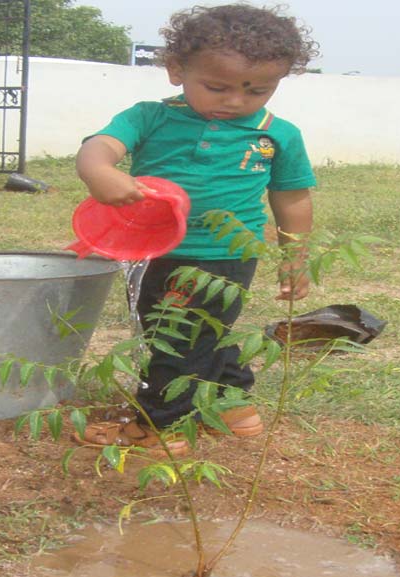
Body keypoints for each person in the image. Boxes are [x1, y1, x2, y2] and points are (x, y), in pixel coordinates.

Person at [74, 4, 319, 456]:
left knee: (177, 338)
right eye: (216, 86)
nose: (234, 100)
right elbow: (99, 147)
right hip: (154, 247)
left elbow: (292, 199)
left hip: (226, 255)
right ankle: (231, 405)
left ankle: (158, 426)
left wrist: (295, 258)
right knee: (205, 331)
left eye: (257, 90)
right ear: (176, 70)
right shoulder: (151, 117)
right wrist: (98, 170)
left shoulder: (277, 135)